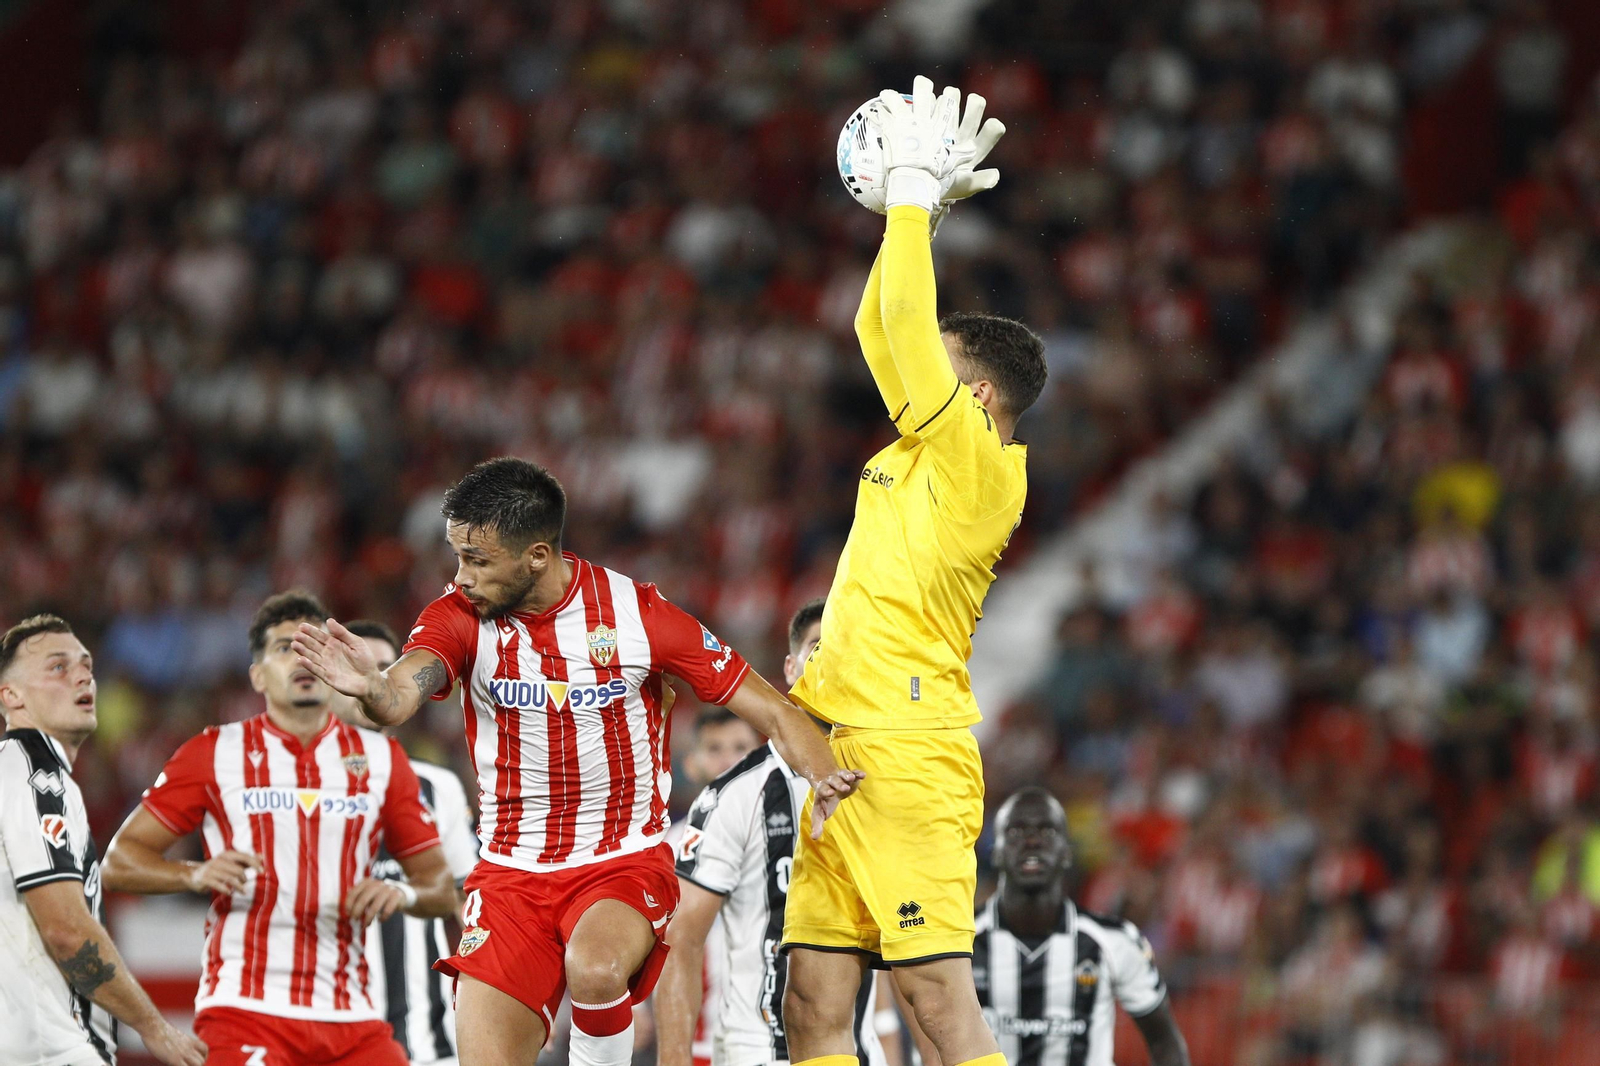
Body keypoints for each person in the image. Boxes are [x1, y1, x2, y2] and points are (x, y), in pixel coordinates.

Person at [289, 457, 863, 1066]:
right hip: (510, 873)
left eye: (477, 561)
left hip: (620, 860)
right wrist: (373, 689)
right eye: (457, 557)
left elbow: (773, 710)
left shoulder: (637, 615)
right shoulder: (459, 617)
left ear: (536, 556)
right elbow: (400, 692)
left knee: (594, 968)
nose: (461, 577)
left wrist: (822, 776)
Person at [779, 77, 1048, 1066]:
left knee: (934, 1001)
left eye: (934, 363)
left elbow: (900, 318)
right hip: (837, 748)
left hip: (908, 751)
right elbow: (874, 327)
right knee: (812, 1001)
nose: (908, 368)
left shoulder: (979, 465)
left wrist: (904, 197)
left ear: (975, 392)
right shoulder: (925, 446)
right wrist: (917, 216)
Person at [102, 592, 459, 1066]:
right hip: (246, 1010)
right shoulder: (214, 753)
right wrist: (193, 874)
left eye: (314, 648)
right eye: (284, 648)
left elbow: (438, 884)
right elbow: (118, 863)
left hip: (352, 1016)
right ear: (257, 674)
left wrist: (403, 895)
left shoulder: (380, 760)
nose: (301, 659)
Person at [660, 599, 912, 1066]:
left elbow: (910, 936)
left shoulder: (888, 786)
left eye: (844, 650)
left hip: (860, 1054)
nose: (831, 660)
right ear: (792, 667)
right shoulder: (736, 794)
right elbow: (682, 939)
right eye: (818, 648)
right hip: (756, 1052)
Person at [0, 614, 208, 1066]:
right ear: (10, 695)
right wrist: (154, 1027)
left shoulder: (19, 776)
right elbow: (66, 931)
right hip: (47, 1050)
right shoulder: (36, 782)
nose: (81, 674)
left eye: (85, 664)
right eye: (57, 667)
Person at [327, 620, 480, 1065]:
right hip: (321, 1040)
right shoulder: (289, 786)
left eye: (381, 670)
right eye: (352, 667)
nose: (366, 682)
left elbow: (468, 905)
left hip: (424, 1046)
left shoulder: (437, 786)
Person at [974, 789, 1189, 1066]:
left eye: (1047, 832)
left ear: (1066, 852)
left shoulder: (1114, 941)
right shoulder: (960, 942)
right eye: (1016, 832)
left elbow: (1164, 1040)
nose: (1031, 841)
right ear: (996, 851)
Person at [660, 705, 764, 1066]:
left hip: (777, 1040)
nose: (729, 760)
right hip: (699, 1046)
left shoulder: (795, 836)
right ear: (692, 764)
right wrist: (636, 1007)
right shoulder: (666, 848)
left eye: (740, 748)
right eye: (715, 749)